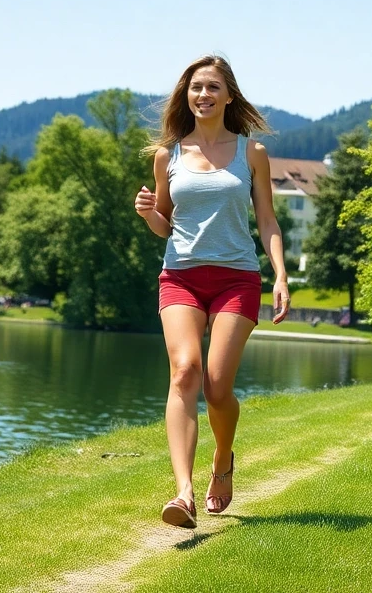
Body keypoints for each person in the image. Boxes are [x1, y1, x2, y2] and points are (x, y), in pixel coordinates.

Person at [133, 55, 290, 529]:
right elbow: (166, 225)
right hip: (179, 276)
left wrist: (281, 275)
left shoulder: (251, 153)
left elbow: (267, 220)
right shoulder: (169, 155)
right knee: (185, 372)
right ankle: (183, 493)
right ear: (187, 95)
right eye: (196, 87)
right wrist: (147, 214)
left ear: (228, 96)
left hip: (236, 278)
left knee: (218, 385)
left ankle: (223, 459)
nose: (203, 95)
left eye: (213, 88)